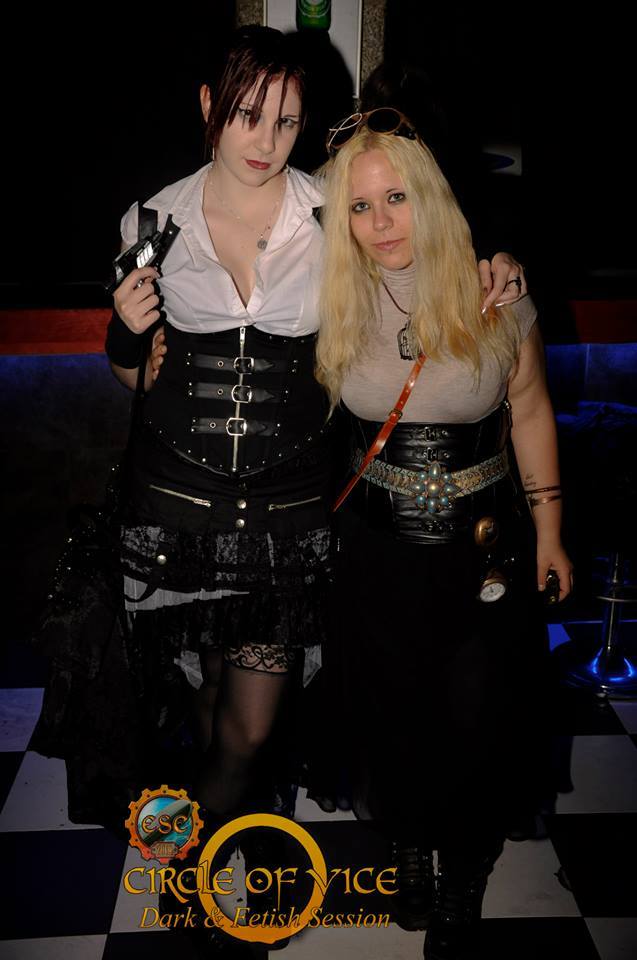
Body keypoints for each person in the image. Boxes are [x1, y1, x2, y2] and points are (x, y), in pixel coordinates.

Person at [313, 109, 572, 960]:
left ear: (429, 197)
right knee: (390, 708)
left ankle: (463, 865)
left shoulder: (496, 291)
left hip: (480, 552)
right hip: (375, 552)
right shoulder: (329, 295)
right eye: (359, 206)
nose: (380, 221)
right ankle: (408, 846)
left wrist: (550, 531)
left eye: (396, 198)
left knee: (475, 715)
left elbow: (529, 412)